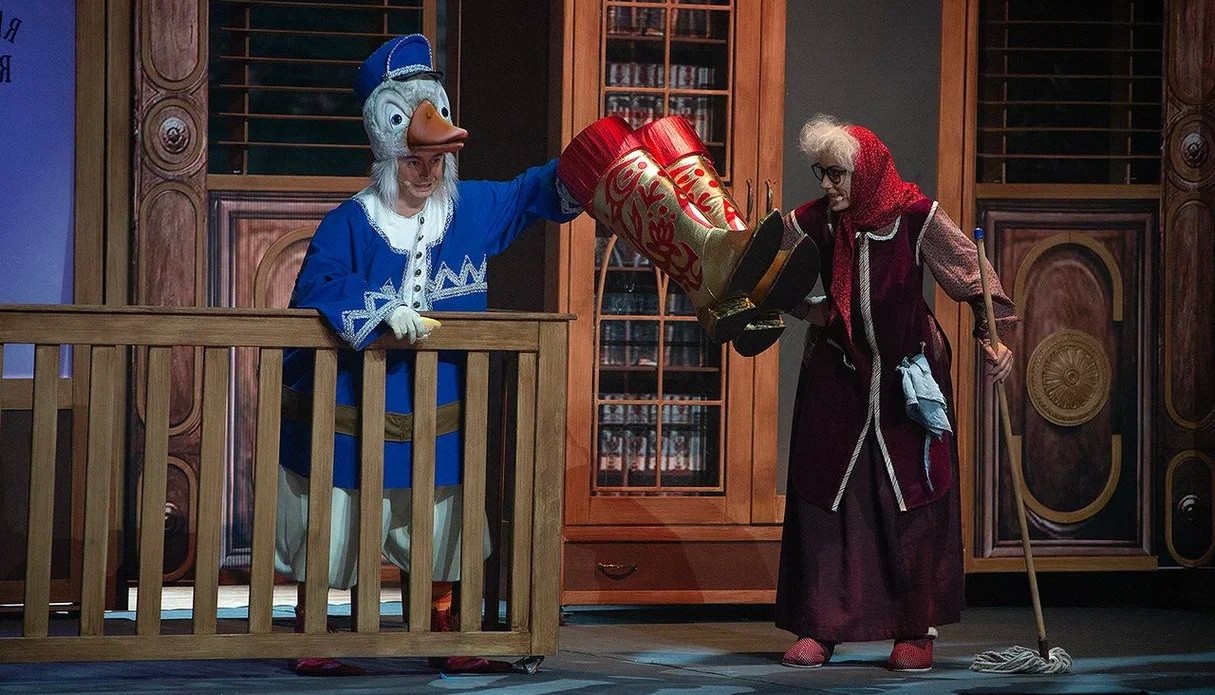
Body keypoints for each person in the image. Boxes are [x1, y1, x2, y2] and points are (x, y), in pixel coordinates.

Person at [275, 34, 583, 676]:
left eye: (437, 158)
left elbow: (532, 191)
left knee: (442, 521)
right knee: (339, 519)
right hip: (354, 416)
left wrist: (597, 158)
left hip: (439, 417)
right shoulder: (350, 222)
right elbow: (318, 286)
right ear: (386, 152)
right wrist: (378, 308)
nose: (427, 171)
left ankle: (446, 624)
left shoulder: (468, 212)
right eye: (415, 159)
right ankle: (317, 630)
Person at [776, 115, 1017, 673]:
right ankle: (819, 626)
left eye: (837, 174)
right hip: (837, 380)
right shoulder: (814, 221)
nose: (827, 185)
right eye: (821, 174)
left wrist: (995, 339)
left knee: (911, 499)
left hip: (905, 381)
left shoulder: (914, 215)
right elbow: (762, 272)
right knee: (827, 497)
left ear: (865, 173)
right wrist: (807, 309)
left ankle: (914, 629)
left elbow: (976, 277)